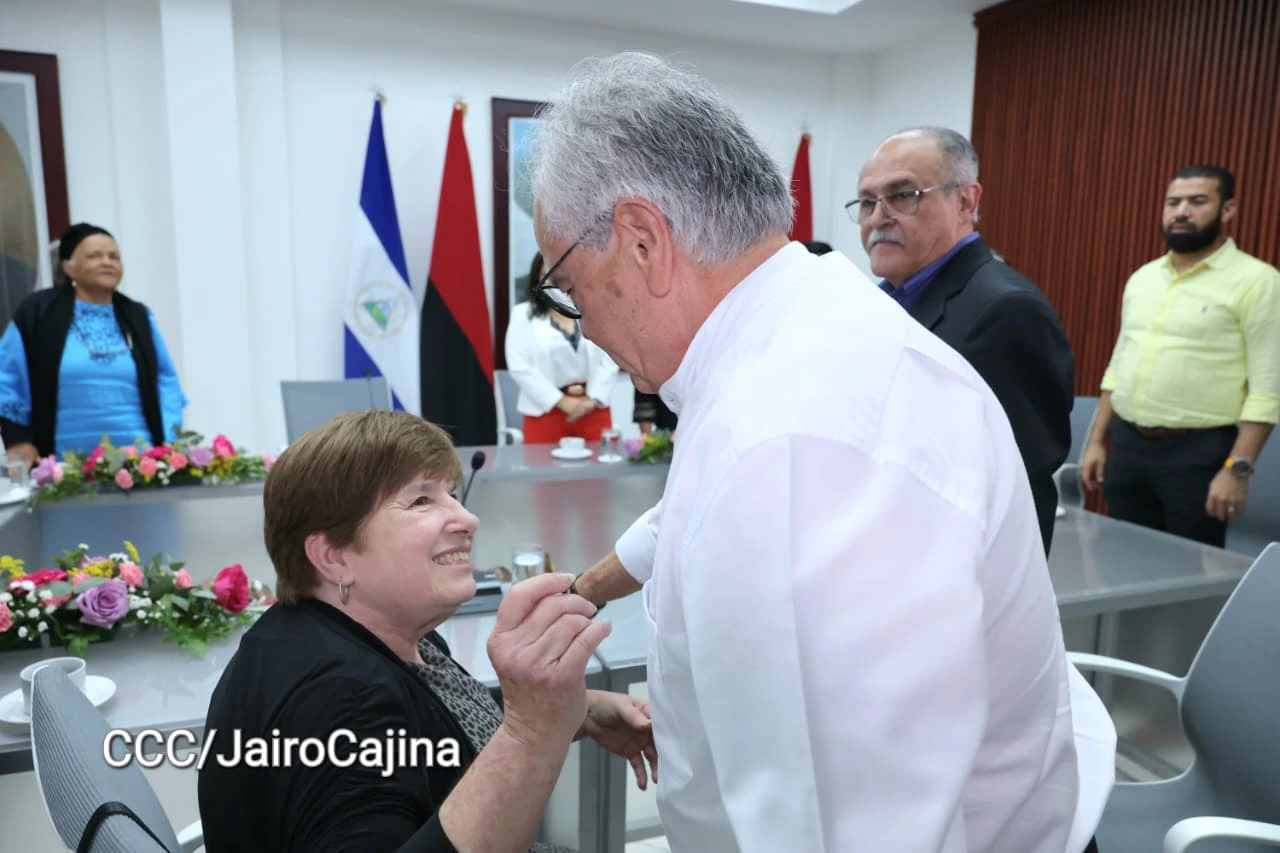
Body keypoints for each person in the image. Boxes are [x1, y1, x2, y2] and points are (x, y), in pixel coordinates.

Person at [529, 51, 1091, 852]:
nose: (582, 322)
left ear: (642, 240)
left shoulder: (794, 438)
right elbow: (693, 509)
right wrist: (588, 589)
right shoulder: (782, 336)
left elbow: (844, 829)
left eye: (570, 287)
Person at [198, 410, 657, 852]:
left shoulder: (368, 636)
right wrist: (532, 732)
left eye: (452, 494)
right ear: (333, 555)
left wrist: (579, 711)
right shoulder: (340, 697)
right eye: (421, 500)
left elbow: (432, 722)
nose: (467, 519)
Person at [855, 127, 1074, 556]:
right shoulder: (876, 303)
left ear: (967, 201)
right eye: (867, 202)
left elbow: (1019, 491)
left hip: (948, 583)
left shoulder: (1006, 311)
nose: (878, 217)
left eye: (902, 195)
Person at [1080, 165, 1280, 547]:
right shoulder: (1143, 279)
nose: (1182, 211)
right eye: (1174, 202)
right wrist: (1095, 441)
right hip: (1128, 446)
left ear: (1228, 210)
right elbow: (1119, 366)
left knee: (1190, 573)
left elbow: (1267, 387)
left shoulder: (1258, 282)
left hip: (1198, 455)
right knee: (1123, 557)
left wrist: (1236, 471)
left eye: (1198, 201)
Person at [0, 223, 188, 465]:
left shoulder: (139, 317)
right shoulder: (38, 313)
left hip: (140, 466)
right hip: (63, 469)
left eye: (114, 256)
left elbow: (166, 383)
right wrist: (17, 440)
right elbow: (6, 376)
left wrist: (169, 443)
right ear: (68, 266)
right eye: (94, 256)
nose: (107, 262)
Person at [505, 252, 621, 444]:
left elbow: (611, 354)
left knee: (597, 472)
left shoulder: (594, 309)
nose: (556, 280)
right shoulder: (522, 315)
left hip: (592, 407)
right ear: (538, 277)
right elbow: (519, 366)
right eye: (548, 274)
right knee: (544, 473)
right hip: (545, 410)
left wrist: (592, 400)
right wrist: (560, 401)